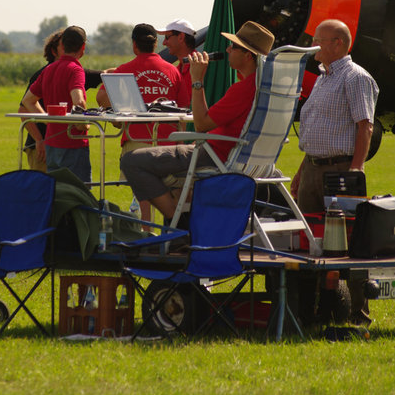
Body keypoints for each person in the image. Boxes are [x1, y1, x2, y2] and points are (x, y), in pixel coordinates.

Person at [120, 21, 275, 219]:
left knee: (131, 162)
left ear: (247, 55)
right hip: (241, 158)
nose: (227, 49)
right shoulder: (263, 88)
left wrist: (197, 79)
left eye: (233, 46)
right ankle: (182, 222)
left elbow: (201, 124)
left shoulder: (243, 89)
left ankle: (179, 222)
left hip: (214, 155)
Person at [290, 18, 379, 325]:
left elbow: (365, 125)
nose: (314, 45)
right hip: (314, 168)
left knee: (350, 243)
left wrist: (355, 169)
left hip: (340, 168)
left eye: (320, 40)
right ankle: (314, 311)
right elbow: (315, 131)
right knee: (310, 241)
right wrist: (303, 171)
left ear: (338, 44)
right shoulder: (324, 77)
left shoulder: (356, 78)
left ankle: (358, 314)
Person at [97, 23, 191, 221]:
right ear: (155, 44)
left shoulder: (123, 70)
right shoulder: (173, 71)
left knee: (143, 192)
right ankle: (174, 231)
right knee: (173, 193)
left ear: (134, 45)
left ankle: (146, 230)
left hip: (135, 140)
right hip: (169, 142)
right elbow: (183, 108)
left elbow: (102, 99)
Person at [18, 30, 104, 172]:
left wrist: (49, 120)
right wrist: (83, 125)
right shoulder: (76, 70)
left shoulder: (47, 70)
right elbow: (79, 102)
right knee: (77, 192)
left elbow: (28, 100)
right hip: (71, 143)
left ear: (63, 46)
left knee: (52, 191)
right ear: (83, 48)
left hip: (51, 144)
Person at [156, 18, 196, 93]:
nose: (164, 43)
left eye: (167, 37)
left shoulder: (201, 66)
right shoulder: (177, 70)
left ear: (181, 37)